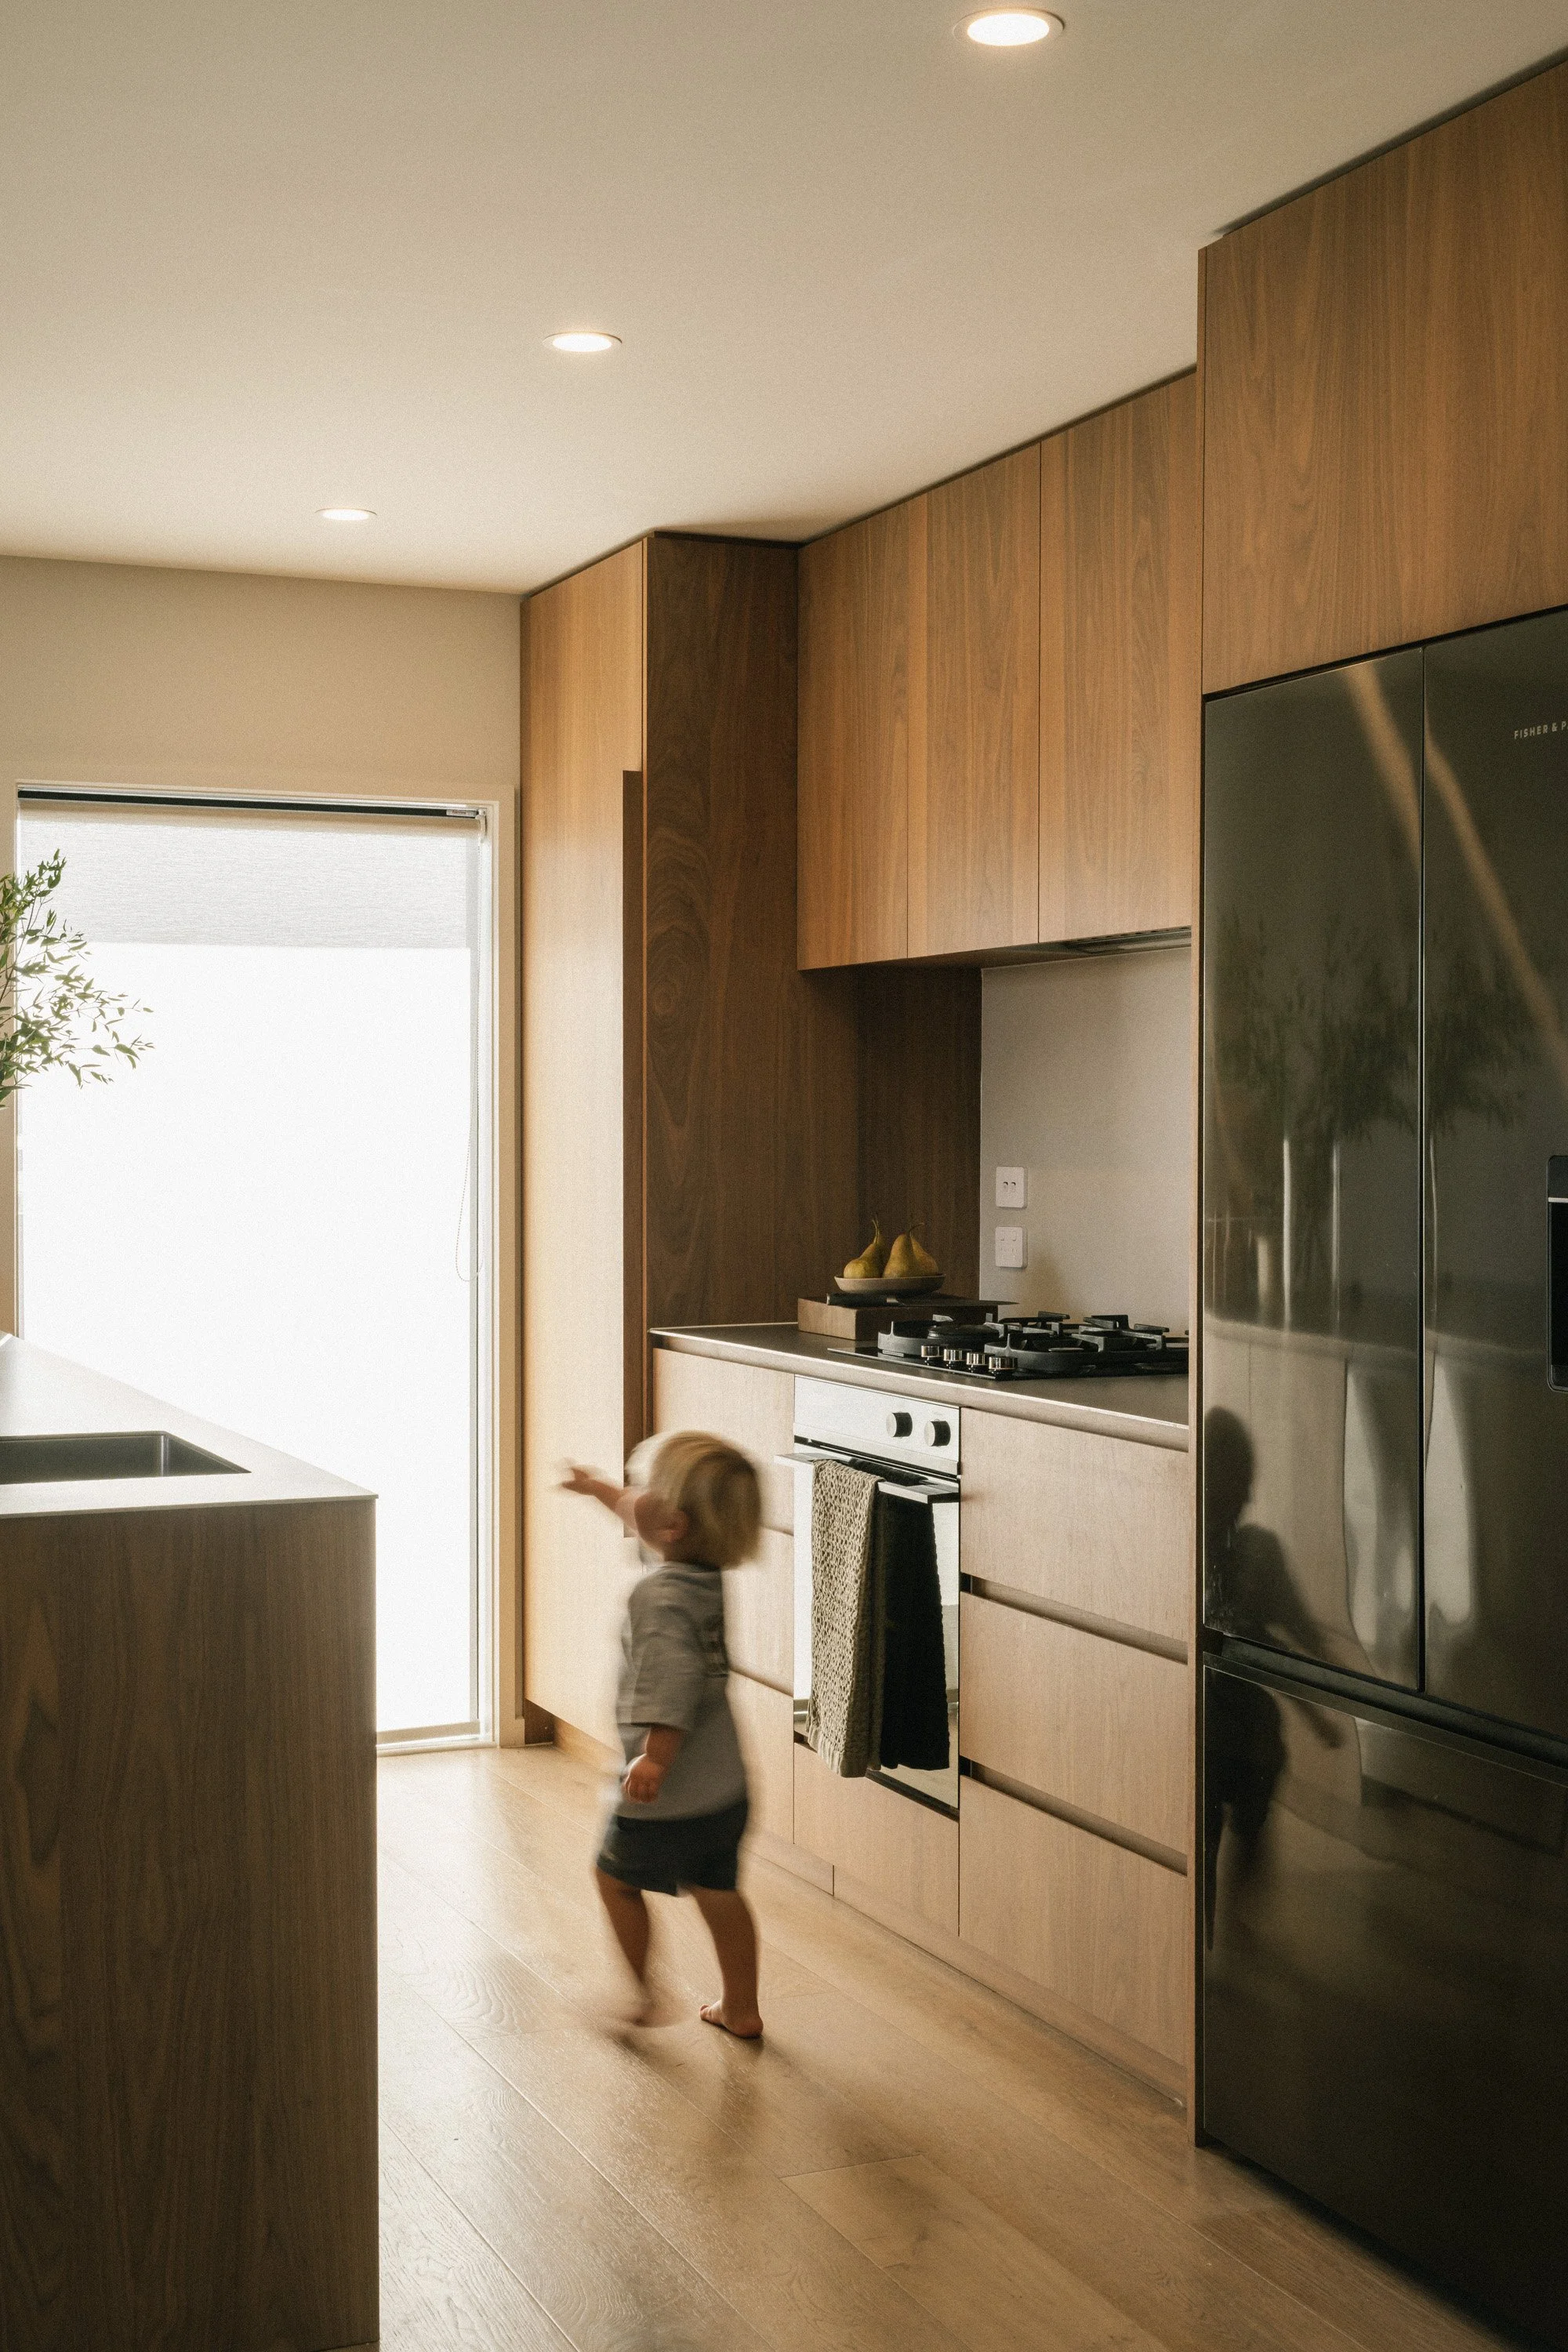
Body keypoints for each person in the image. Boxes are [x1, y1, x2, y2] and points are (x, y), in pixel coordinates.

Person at [560, 1430, 765, 2038]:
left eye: (641, 1486)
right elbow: (640, 1510)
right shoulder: (704, 1574)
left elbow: (669, 1685)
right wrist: (596, 1487)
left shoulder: (659, 1596)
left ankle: (645, 1996)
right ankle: (741, 2008)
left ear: (672, 1524)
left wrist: (654, 1758)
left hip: (666, 1795)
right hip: (724, 1787)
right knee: (719, 1889)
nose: (631, 1495)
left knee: (615, 1880)